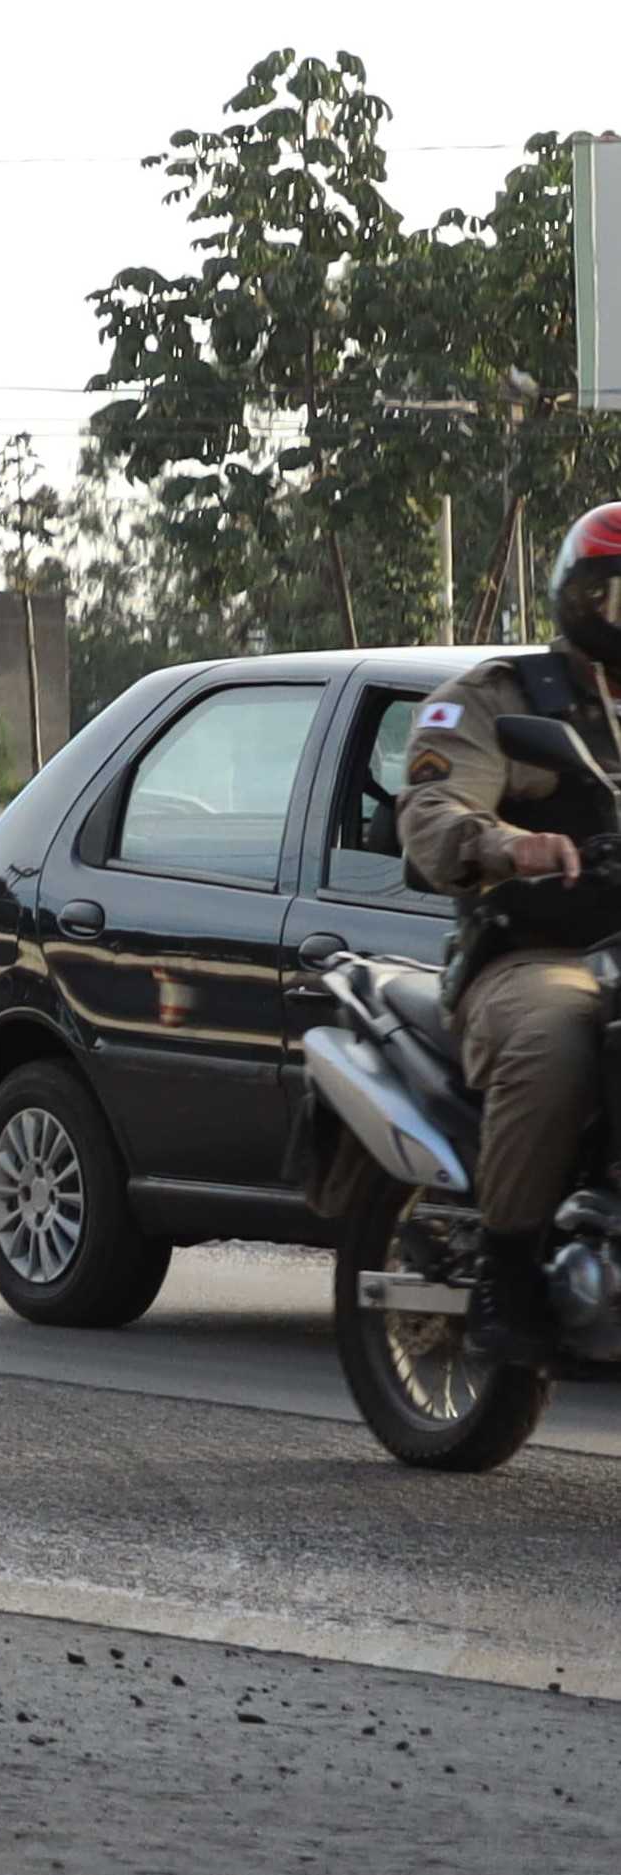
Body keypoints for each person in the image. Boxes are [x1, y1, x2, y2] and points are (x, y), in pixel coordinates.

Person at [396, 500, 621, 1367]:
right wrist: (509, 845)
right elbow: (432, 805)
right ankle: (508, 1266)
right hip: (536, 958)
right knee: (561, 1038)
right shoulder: (506, 699)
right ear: (585, 597)